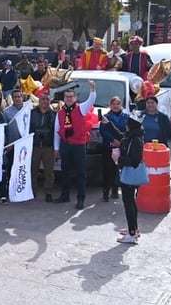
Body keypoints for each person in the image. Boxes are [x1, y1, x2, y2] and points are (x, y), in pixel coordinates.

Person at [54, 81, 98, 210]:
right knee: (65, 171)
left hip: (78, 145)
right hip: (65, 145)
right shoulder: (60, 113)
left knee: (80, 173)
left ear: (75, 98)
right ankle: (65, 195)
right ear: (64, 98)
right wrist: (56, 148)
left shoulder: (81, 108)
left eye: (71, 96)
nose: (69, 99)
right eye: (67, 97)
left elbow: (91, 100)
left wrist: (92, 89)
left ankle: (80, 199)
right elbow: (57, 131)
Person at [113, 116, 145, 244]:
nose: (125, 126)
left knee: (128, 203)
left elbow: (135, 160)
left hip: (130, 175)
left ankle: (132, 234)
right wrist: (108, 123)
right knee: (130, 201)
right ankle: (134, 228)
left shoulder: (136, 140)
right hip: (128, 173)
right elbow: (120, 136)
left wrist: (118, 160)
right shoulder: (131, 136)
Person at [98, 97, 129, 201]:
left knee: (118, 170)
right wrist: (112, 139)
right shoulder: (105, 117)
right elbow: (103, 130)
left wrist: (121, 140)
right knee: (107, 170)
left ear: (121, 105)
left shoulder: (126, 116)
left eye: (117, 103)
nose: (115, 106)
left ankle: (115, 191)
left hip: (122, 147)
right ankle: (105, 193)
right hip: (108, 147)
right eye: (113, 104)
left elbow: (127, 130)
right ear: (110, 105)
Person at [29, 92, 58, 202]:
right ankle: (32, 190)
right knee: (33, 170)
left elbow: (56, 132)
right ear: (39, 101)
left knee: (49, 171)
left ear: (50, 101)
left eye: (47, 99)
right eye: (42, 99)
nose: (44, 101)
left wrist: (56, 148)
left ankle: (48, 192)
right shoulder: (31, 113)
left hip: (48, 146)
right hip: (34, 146)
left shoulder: (54, 115)